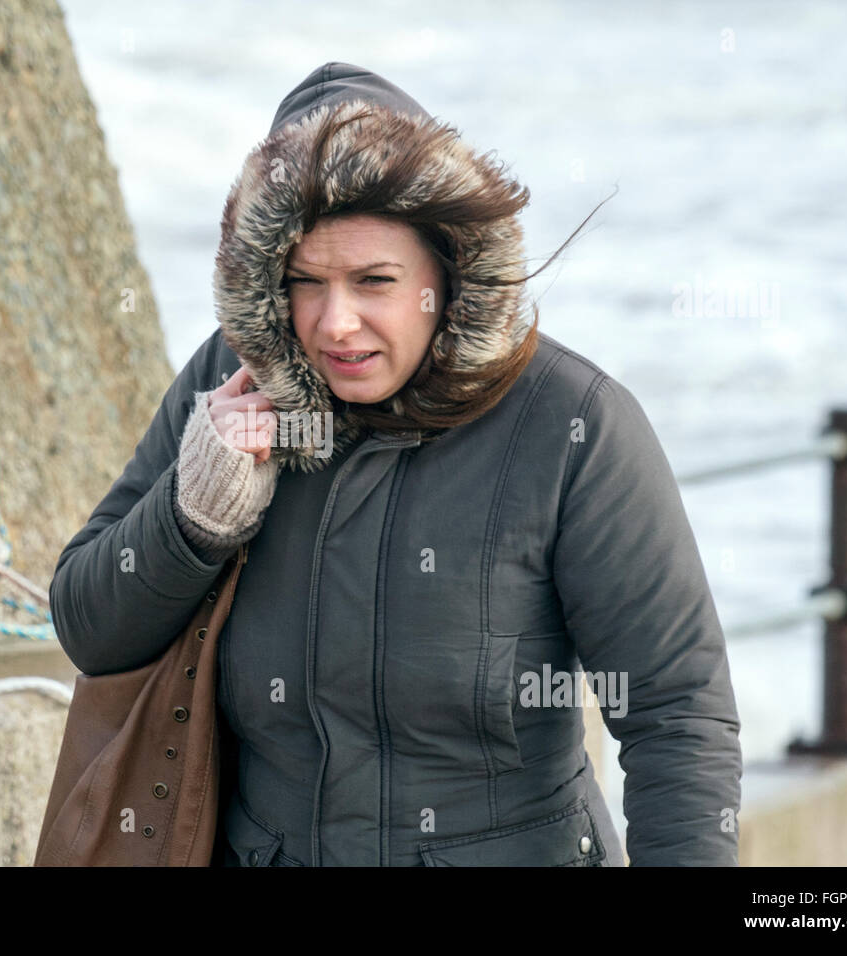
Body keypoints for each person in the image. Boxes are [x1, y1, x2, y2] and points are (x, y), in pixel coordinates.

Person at [50, 61, 742, 866]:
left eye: (374, 281)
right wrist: (191, 518)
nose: (336, 323)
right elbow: (88, 629)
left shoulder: (573, 422)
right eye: (305, 283)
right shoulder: (227, 383)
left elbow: (676, 711)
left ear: (444, 275)